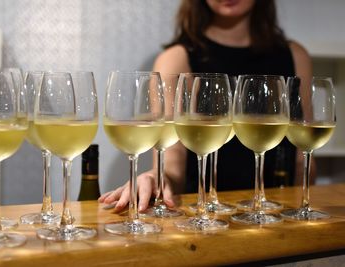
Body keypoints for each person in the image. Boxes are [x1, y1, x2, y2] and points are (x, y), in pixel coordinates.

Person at [99, 0, 313, 212]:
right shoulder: (176, 59)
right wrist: (155, 177)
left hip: (279, 212)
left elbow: (304, 151)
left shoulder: (295, 56)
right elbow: (171, 155)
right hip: (202, 216)